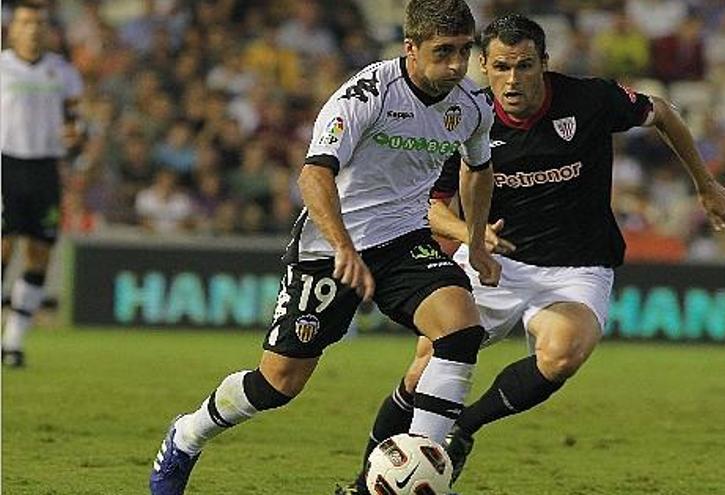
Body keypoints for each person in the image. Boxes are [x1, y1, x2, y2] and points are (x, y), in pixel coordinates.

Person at [340, 14, 725, 494]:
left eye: (525, 66)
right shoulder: (461, 117)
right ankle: (364, 483)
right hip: (495, 264)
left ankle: (464, 428)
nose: (513, 79)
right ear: (483, 66)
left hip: (578, 266)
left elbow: (665, 114)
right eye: (502, 66)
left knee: (565, 350)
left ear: (544, 64)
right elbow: (433, 209)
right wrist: (473, 234)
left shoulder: (590, 100)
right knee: (425, 366)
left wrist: (706, 183)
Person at [149, 0, 501, 493]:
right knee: (277, 384)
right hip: (331, 247)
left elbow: (478, 169)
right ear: (411, 48)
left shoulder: (470, 106)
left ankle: (418, 473)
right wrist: (343, 248)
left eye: (465, 51)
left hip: (404, 241)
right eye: (443, 52)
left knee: (461, 331)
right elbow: (314, 174)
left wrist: (477, 240)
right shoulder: (367, 94)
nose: (456, 65)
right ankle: (187, 434)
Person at [1, 0, 84, 368]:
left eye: (38, 23)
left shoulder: (62, 72)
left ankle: (14, 341)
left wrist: (76, 136)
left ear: (47, 29)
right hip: (5, 165)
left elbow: (77, 122)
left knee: (39, 253)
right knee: (3, 248)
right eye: (25, 22)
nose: (32, 29)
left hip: (45, 170)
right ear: (13, 28)